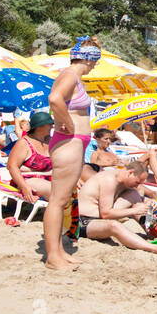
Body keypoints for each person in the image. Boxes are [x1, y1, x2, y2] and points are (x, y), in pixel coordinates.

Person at [44, 35, 101, 271]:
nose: (95, 67)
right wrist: (68, 122)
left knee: (63, 199)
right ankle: (52, 257)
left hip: (73, 142)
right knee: (57, 201)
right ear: (88, 60)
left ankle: (58, 251)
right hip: (69, 141)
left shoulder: (72, 77)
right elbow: (54, 99)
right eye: (95, 62)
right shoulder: (70, 76)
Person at [75, 161, 157, 254]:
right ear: (130, 173)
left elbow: (137, 198)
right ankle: (152, 247)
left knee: (134, 194)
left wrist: (149, 201)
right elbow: (105, 213)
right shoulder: (109, 180)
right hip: (84, 222)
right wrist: (135, 211)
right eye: (137, 182)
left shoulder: (123, 181)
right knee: (114, 225)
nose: (138, 186)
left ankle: (151, 231)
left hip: (99, 217)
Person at [6, 110, 54, 203]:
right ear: (40, 126)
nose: (52, 126)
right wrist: (24, 186)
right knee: (59, 192)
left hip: (48, 179)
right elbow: (12, 166)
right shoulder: (24, 143)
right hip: (28, 180)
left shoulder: (50, 141)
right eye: (49, 124)